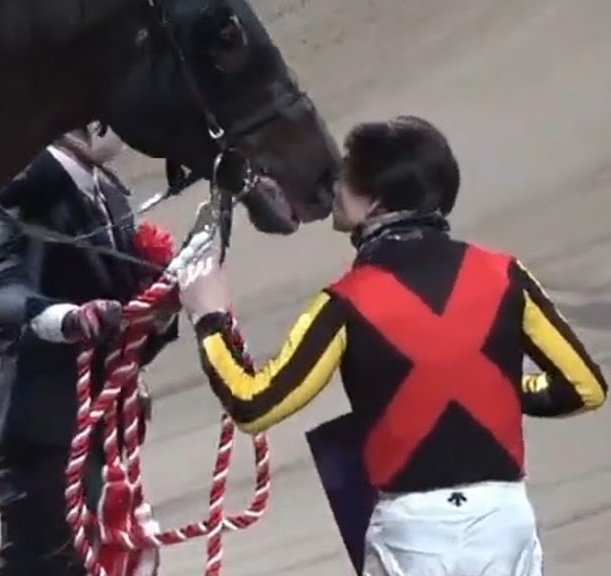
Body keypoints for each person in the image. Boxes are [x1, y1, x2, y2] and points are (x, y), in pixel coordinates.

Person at [176, 115, 607, 576]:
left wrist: (210, 318)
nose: (335, 186)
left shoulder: (346, 302)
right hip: (505, 521)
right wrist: (490, 386)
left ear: (375, 201)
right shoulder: (505, 274)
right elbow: (584, 387)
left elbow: (254, 404)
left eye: (346, 176)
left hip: (414, 533)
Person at [0, 122, 179, 576]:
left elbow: (124, 324)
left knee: (121, 558)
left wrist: (159, 312)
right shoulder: (22, 191)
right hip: (47, 434)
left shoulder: (109, 194)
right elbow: (6, 298)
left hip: (109, 430)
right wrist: (69, 319)